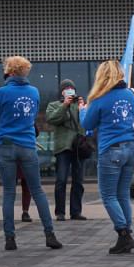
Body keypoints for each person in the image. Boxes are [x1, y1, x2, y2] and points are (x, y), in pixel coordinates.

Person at [0, 56, 63, 251]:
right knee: (37, 190)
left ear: (11, 72)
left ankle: (10, 238)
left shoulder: (2, 92)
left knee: (9, 192)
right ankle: (50, 234)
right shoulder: (34, 92)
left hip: (6, 146)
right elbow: (29, 117)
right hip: (28, 145)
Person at [82, 60, 134, 254]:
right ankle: (127, 235)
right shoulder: (131, 94)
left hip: (111, 150)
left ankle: (124, 235)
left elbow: (88, 125)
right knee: (123, 194)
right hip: (132, 148)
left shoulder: (100, 98)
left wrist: (82, 110)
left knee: (108, 195)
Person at [45, 79, 88, 221]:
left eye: (72, 87)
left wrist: (84, 107)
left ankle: (76, 211)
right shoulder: (55, 105)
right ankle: (60, 212)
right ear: (62, 91)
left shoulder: (79, 105)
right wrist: (65, 105)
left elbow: (88, 122)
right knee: (61, 180)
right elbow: (52, 118)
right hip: (63, 148)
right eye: (66, 88)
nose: (69, 89)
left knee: (78, 181)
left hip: (79, 148)